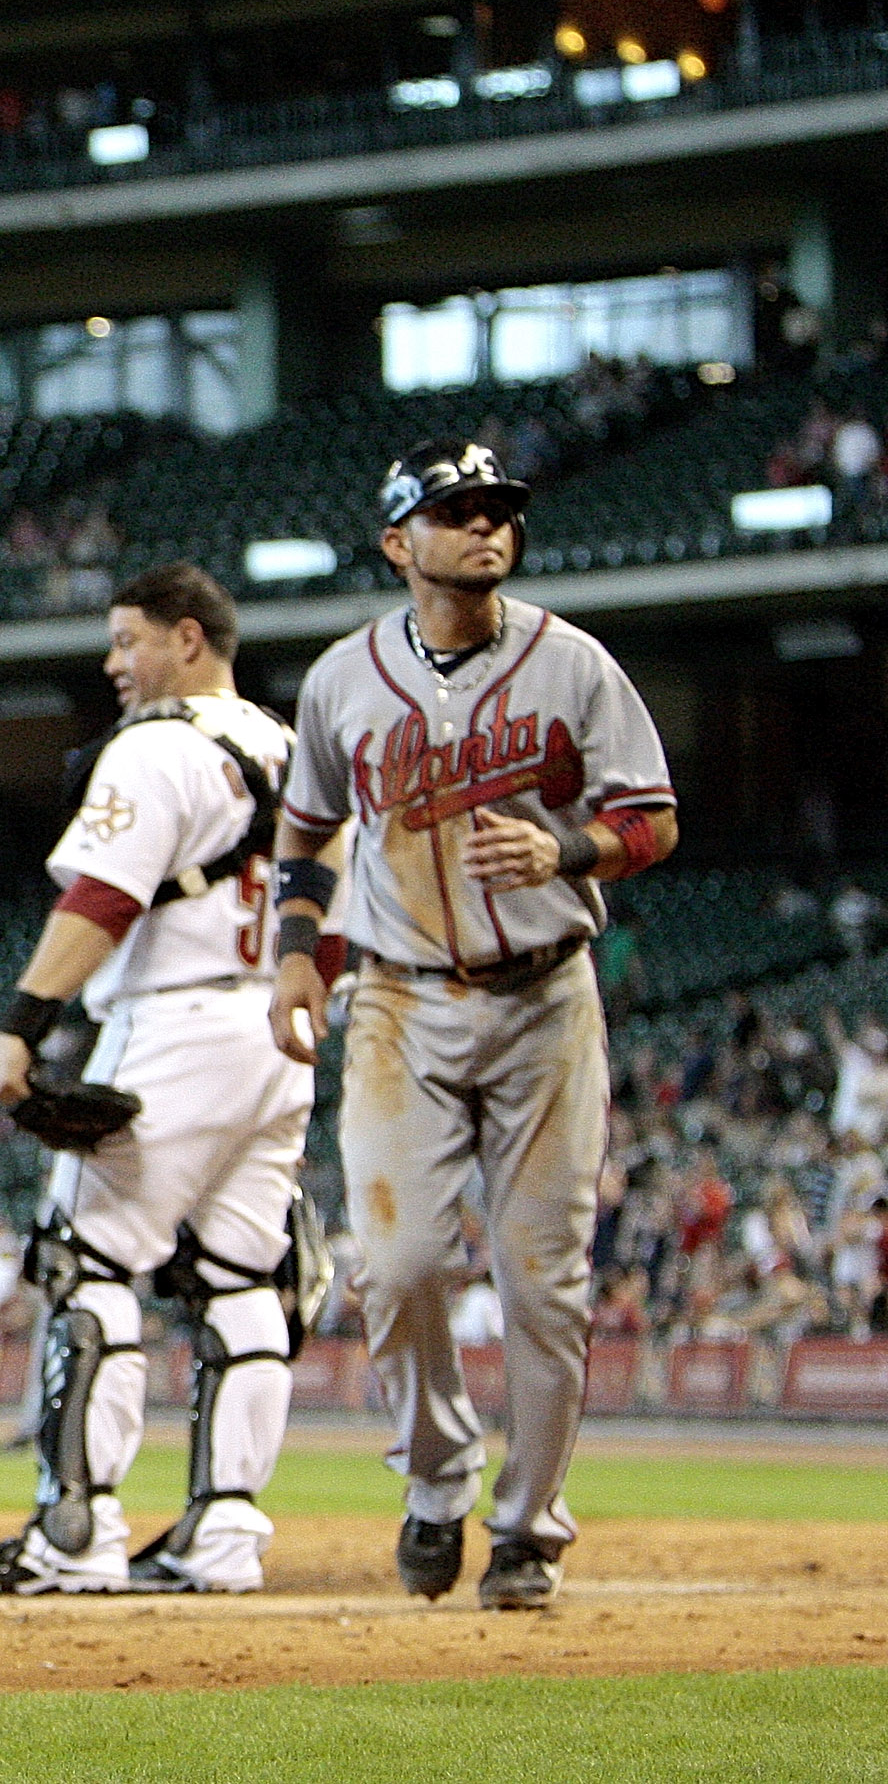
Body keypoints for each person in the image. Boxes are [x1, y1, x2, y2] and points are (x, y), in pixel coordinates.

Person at [269, 441, 676, 1611]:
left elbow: (651, 820)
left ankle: (529, 1528)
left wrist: (572, 848)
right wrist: (299, 957)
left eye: (498, 510)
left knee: (545, 1282)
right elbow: (304, 835)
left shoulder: (576, 665)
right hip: (398, 997)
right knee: (393, 1267)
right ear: (399, 541)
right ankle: (438, 1479)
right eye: (456, 511)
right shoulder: (344, 679)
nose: (485, 527)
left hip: (548, 993)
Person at [0, 565, 327, 1597]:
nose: (115, 662)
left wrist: (24, 1024)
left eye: (130, 640)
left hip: (173, 1019)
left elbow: (106, 894)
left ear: (190, 639)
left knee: (87, 1260)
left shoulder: (159, 745)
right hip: (278, 1027)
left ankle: (75, 1530)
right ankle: (224, 1533)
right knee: (243, 1279)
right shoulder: (295, 750)